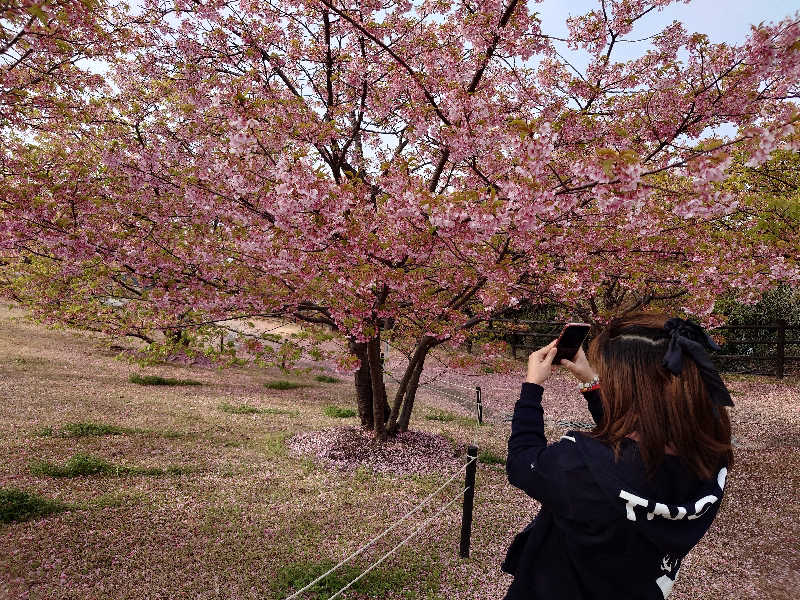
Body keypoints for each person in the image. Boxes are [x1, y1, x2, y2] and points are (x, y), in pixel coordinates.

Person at [502, 313, 734, 600]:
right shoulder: (709, 457)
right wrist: (591, 384)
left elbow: (523, 462)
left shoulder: (581, 467)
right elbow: (633, 440)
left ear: (628, 388)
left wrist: (532, 388)